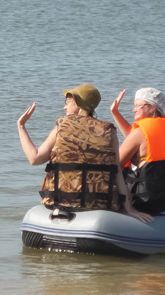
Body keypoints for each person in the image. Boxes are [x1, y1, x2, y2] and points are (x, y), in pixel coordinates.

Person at [18, 84, 150, 223]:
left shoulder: (62, 126)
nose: (65, 107)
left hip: (61, 202)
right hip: (101, 204)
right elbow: (116, 171)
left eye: (67, 102)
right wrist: (129, 209)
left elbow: (35, 159)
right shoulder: (109, 130)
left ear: (79, 104)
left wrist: (21, 126)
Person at [109, 87, 165, 215]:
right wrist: (115, 113)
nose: (133, 109)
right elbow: (139, 140)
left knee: (111, 172)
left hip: (149, 203)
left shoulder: (140, 134)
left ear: (152, 107)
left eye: (138, 105)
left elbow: (115, 166)